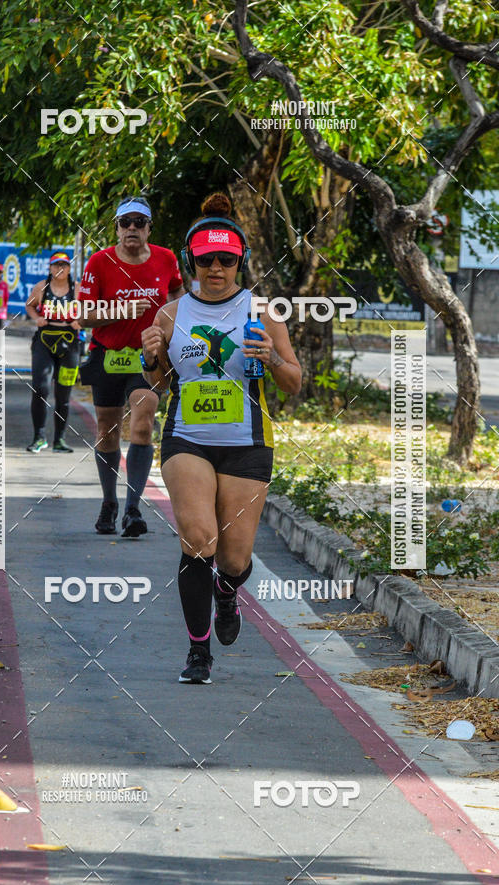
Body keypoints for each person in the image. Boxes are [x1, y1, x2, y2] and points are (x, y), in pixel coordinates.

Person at [140, 193, 302, 684]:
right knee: (198, 539)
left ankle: (229, 594)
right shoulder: (170, 314)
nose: (216, 268)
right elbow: (161, 382)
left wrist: (272, 358)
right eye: (206, 259)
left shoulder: (262, 312)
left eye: (226, 259)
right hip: (187, 438)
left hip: (247, 443)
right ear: (192, 261)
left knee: (233, 558)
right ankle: (197, 651)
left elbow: (294, 382)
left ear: (240, 262)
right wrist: (152, 357)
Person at [78, 195, 184, 537]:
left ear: (149, 228)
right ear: (117, 228)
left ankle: (133, 508)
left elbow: (179, 299)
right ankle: (109, 501)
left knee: (142, 423)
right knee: (106, 430)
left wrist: (171, 332)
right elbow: (82, 317)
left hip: (148, 359)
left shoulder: (166, 259)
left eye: (140, 223)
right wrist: (120, 311)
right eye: (126, 223)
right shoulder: (99, 262)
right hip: (107, 355)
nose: (132, 229)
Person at [25, 252, 82, 453]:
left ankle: (59, 440)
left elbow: (89, 311)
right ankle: (39, 437)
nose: (60, 269)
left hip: (69, 345)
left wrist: (80, 321)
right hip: (44, 343)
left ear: (69, 268)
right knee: (40, 389)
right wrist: (36, 318)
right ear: (50, 268)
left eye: (64, 265)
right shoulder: (42, 288)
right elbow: (30, 305)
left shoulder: (78, 290)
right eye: (56, 265)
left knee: (63, 395)